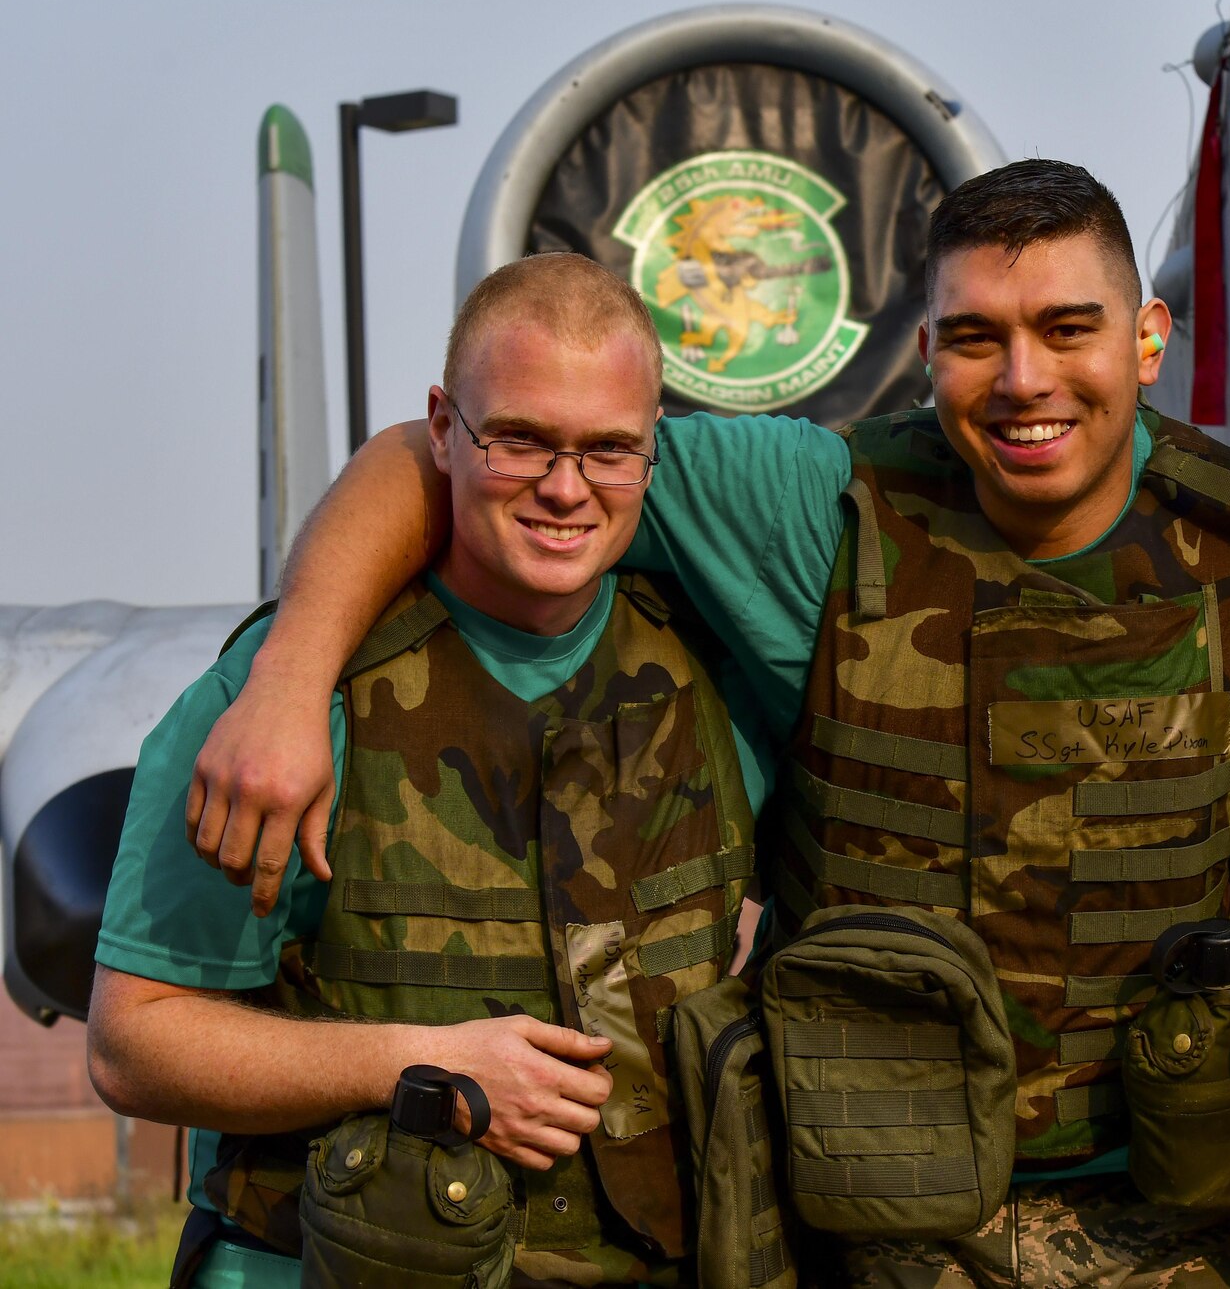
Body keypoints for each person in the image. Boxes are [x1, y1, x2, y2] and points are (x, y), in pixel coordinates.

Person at [178, 161, 1230, 1287]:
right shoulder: (811, 503)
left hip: (1182, 1211)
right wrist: (291, 671)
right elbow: (437, 449)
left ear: (1142, 341)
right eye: (980, 338)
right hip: (877, 1218)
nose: (1026, 380)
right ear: (927, 356)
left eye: (1068, 328)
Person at [88, 253, 773, 1288]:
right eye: (520, 440)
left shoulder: (713, 679)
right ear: (443, 427)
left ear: (650, 454)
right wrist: (415, 1060)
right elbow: (131, 1045)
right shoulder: (283, 705)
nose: (563, 486)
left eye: (607, 450)